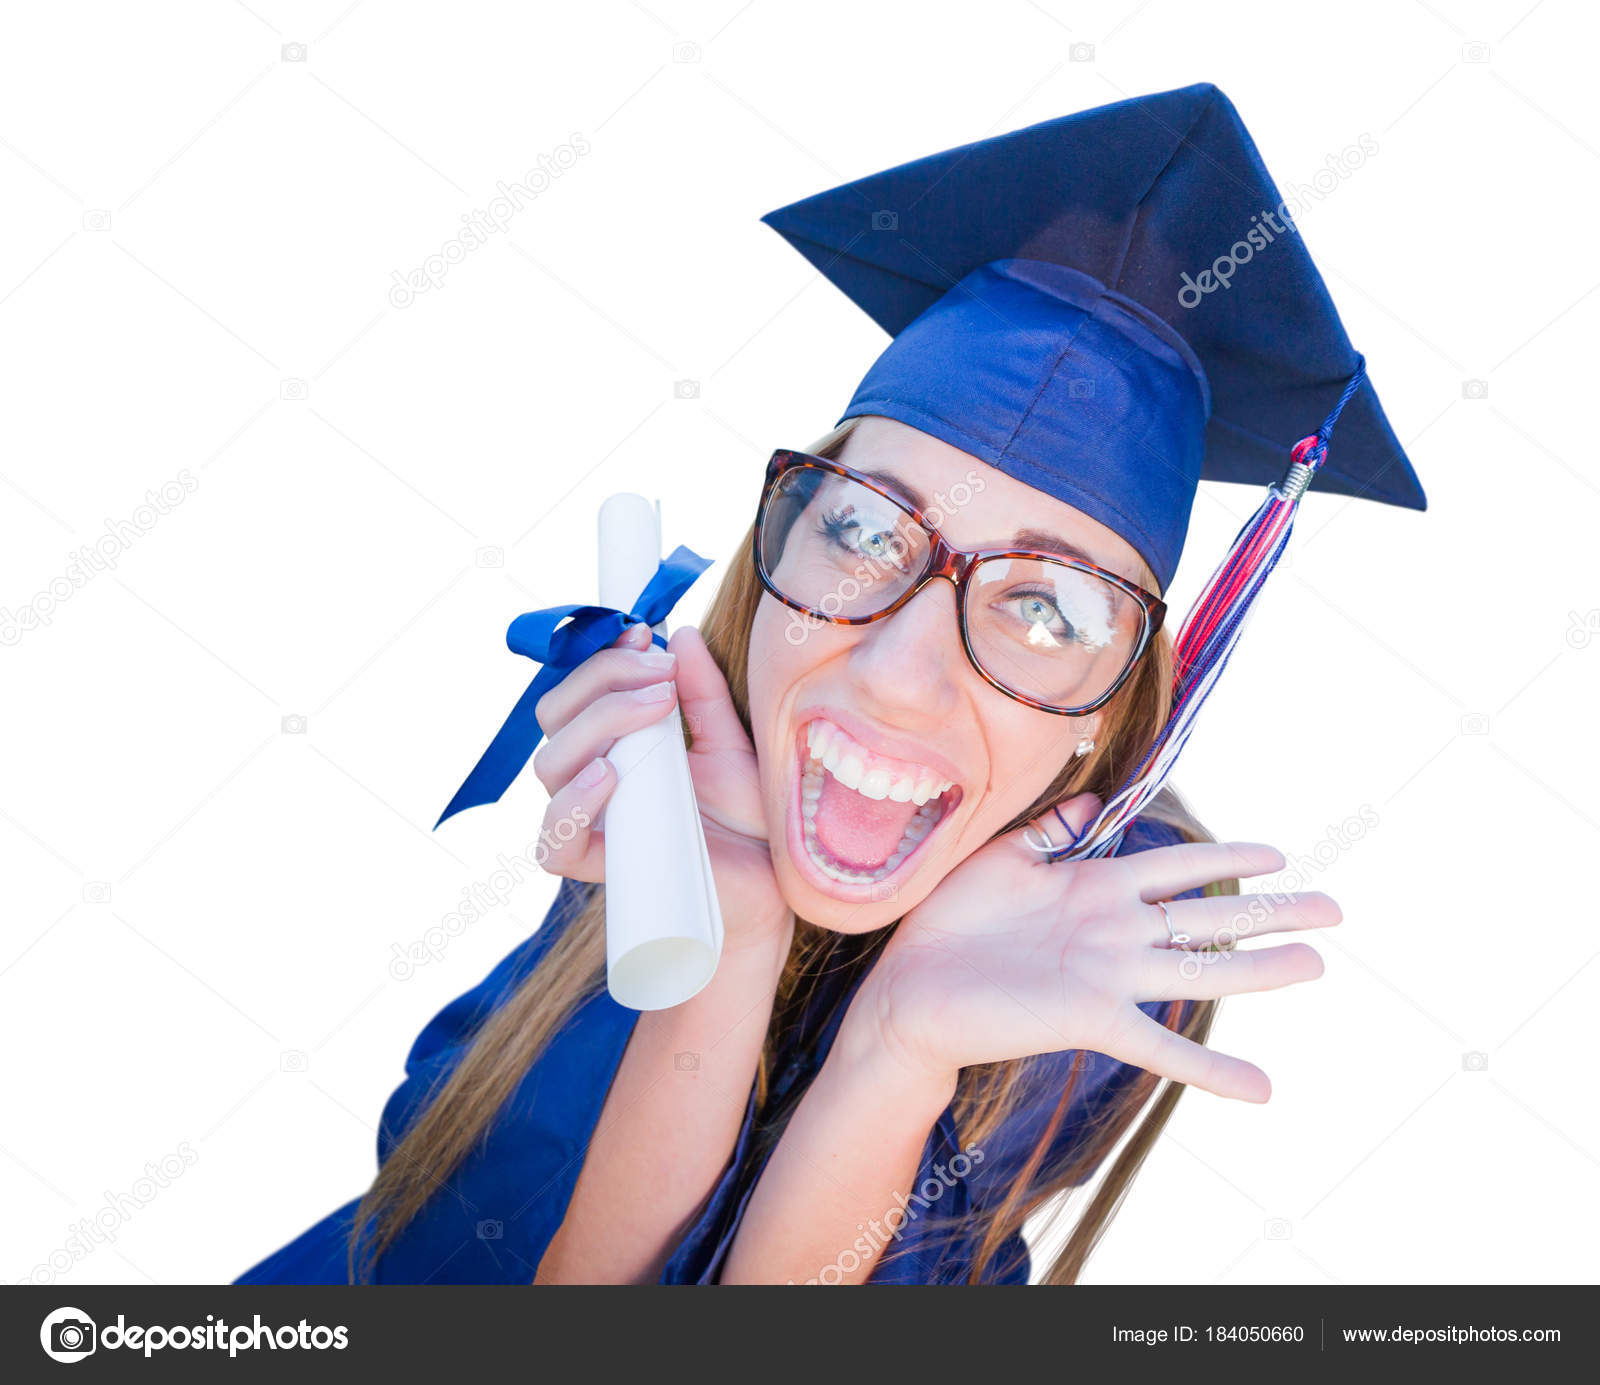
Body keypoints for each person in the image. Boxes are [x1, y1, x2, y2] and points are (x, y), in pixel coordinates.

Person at [236, 81, 1422, 1286]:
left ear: (1113, 709)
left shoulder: (1109, 937)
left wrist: (898, 1052)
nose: (900, 677)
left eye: (1048, 608)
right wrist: (729, 922)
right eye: (861, 533)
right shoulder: (700, 755)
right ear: (773, 547)